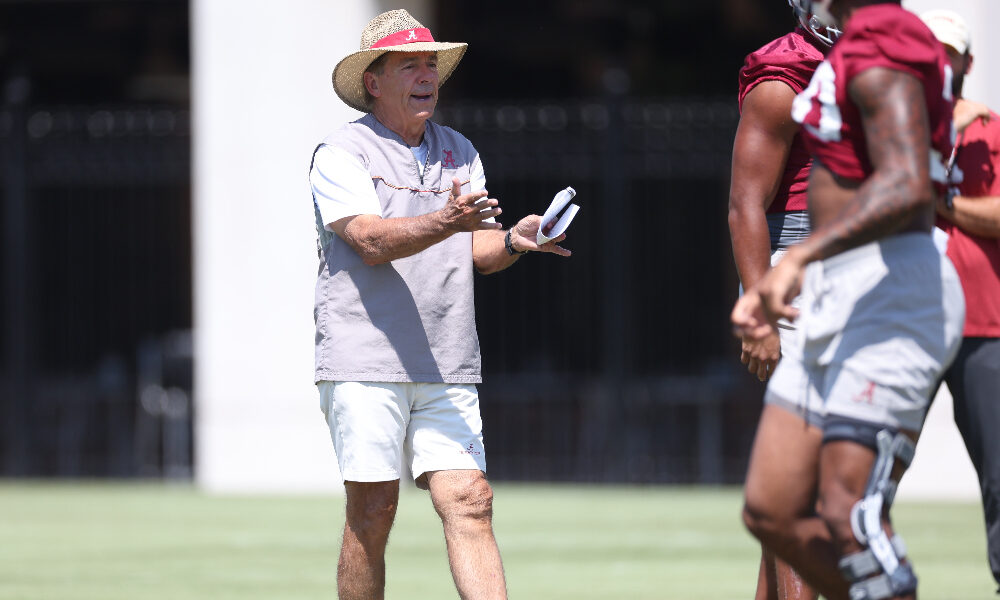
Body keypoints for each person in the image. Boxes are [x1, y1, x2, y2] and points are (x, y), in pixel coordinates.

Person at [309, 9, 570, 600]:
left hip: (446, 357)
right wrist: (448, 219)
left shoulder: (460, 150)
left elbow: (473, 249)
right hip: (364, 357)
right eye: (410, 65)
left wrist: (513, 241)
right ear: (373, 82)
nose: (427, 74)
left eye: (431, 64)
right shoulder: (340, 154)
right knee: (373, 510)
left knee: (471, 500)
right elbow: (370, 241)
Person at [732, 1, 964, 599]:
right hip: (826, 283)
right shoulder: (804, 62)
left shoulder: (889, 49)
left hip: (880, 284)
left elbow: (906, 182)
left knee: (839, 510)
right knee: (772, 510)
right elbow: (749, 203)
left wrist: (801, 261)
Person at [728, 4, 838, 598]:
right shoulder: (783, 76)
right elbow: (746, 203)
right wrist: (760, 310)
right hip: (801, 280)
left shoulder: (889, 60)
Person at [921, 9, 1000, 593]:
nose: (941, 63)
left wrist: (941, 204)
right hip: (908, 321)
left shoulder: (991, 131)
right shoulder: (894, 125)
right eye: (932, 52)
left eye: (951, 53)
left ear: (967, 63)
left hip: (984, 323)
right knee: (867, 468)